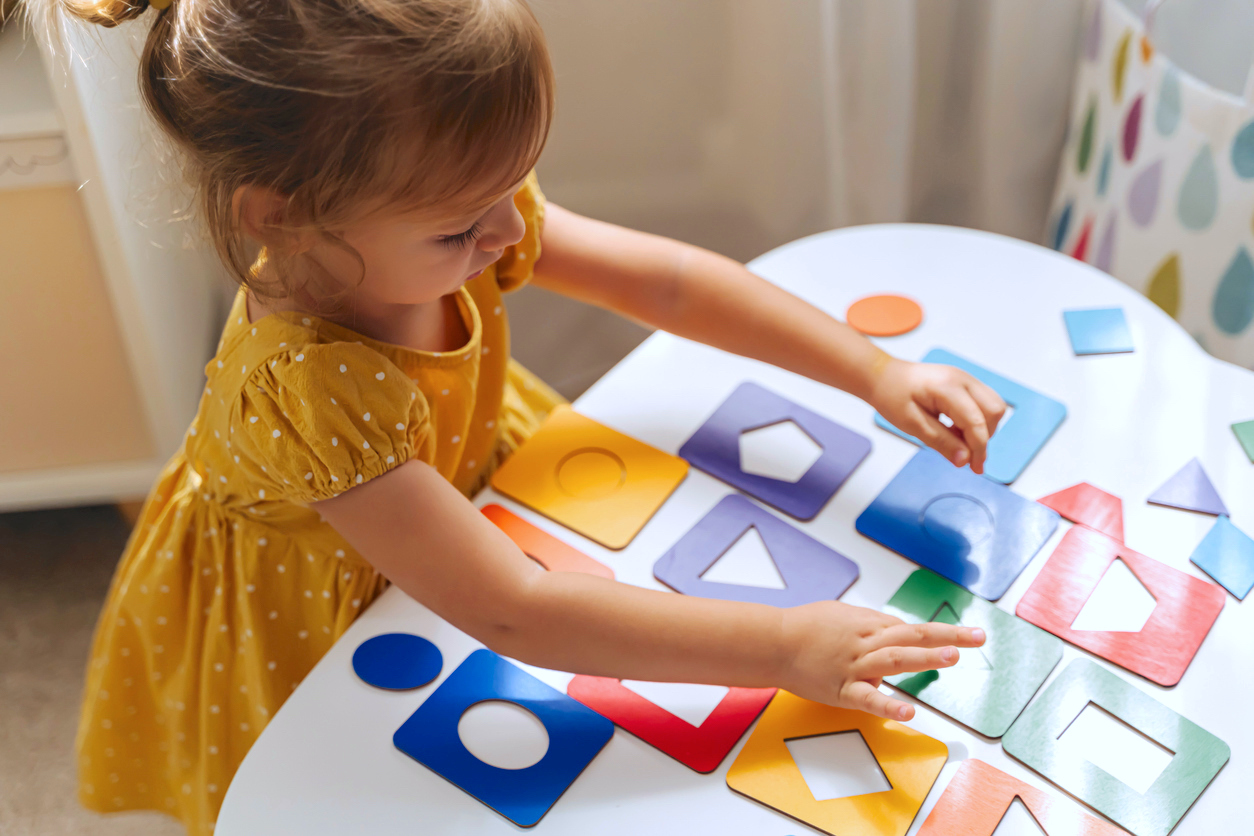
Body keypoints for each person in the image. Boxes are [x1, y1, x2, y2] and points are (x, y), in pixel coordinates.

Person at [38, 0, 1001, 831]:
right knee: (352, 787)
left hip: (459, 486)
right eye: (461, 224)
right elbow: (515, 607)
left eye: (511, 188)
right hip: (312, 592)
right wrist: (785, 645)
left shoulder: (457, 215)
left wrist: (871, 369)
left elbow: (666, 283)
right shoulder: (307, 388)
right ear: (281, 216)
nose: (509, 231)